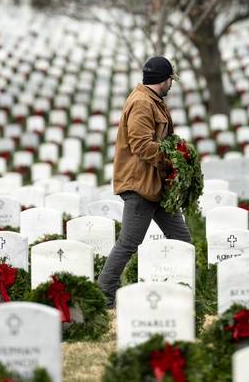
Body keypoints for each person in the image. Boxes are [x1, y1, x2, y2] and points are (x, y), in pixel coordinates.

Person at [97, 55, 192, 309]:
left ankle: (184, 291)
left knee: (181, 238)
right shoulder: (141, 103)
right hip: (140, 185)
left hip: (155, 185)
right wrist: (172, 162)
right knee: (129, 242)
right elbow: (141, 145)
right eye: (170, 80)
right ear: (162, 80)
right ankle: (103, 296)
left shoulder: (154, 101)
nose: (171, 85)